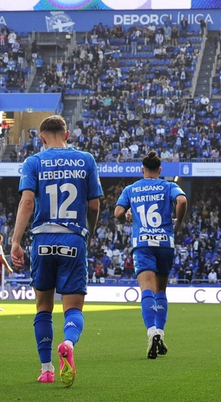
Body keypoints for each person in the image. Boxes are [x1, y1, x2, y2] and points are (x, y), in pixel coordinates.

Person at [10, 114, 102, 387]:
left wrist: (15, 241)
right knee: (73, 308)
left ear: (41, 138)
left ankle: (47, 368)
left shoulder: (34, 162)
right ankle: (69, 343)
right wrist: (90, 233)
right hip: (73, 239)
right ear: (67, 134)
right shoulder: (86, 160)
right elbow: (95, 205)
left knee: (43, 308)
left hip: (42, 239)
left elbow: (27, 203)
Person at [114, 151, 188, 359]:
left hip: (143, 242)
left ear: (142, 170)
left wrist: (128, 216)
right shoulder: (169, 186)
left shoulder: (131, 189)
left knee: (146, 288)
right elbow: (182, 201)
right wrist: (178, 223)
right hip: (165, 242)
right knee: (161, 290)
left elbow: (117, 213)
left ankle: (151, 332)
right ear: (160, 170)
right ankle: (161, 333)